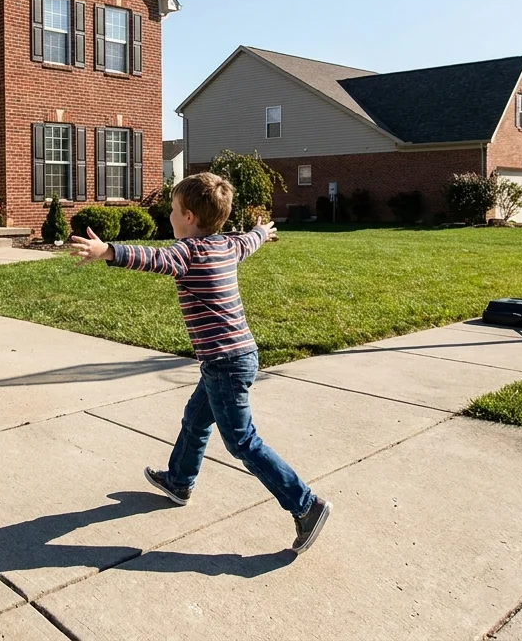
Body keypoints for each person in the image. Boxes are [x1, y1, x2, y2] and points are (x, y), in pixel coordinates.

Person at [69, 173, 330, 554]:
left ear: (189, 217)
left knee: (242, 442)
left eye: (173, 210)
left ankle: (306, 505)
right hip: (234, 357)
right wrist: (261, 230)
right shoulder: (226, 245)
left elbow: (153, 258)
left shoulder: (187, 253)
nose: (170, 216)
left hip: (225, 362)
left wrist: (108, 251)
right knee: (195, 420)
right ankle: (179, 480)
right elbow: (249, 241)